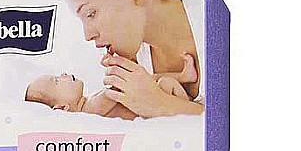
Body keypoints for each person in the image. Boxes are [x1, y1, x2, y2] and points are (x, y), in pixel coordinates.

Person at [63, 0, 204, 118]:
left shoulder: (213, 15)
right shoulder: (136, 61)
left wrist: (163, 105)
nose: (88, 36)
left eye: (91, 14)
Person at [24, 53, 198, 119]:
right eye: (56, 81)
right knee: (164, 83)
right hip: (154, 109)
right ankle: (187, 101)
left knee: (148, 81)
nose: (62, 74)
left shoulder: (88, 101)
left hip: (151, 102)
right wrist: (115, 64)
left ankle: (184, 77)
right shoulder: (90, 111)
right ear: (63, 108)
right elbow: (118, 88)